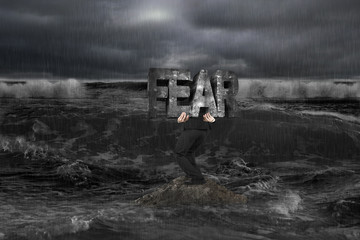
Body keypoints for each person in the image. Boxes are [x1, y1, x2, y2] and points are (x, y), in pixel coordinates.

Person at [174, 108, 216, 185]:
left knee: (179, 154)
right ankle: (194, 175)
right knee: (189, 152)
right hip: (204, 129)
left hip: (192, 127)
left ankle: (197, 177)